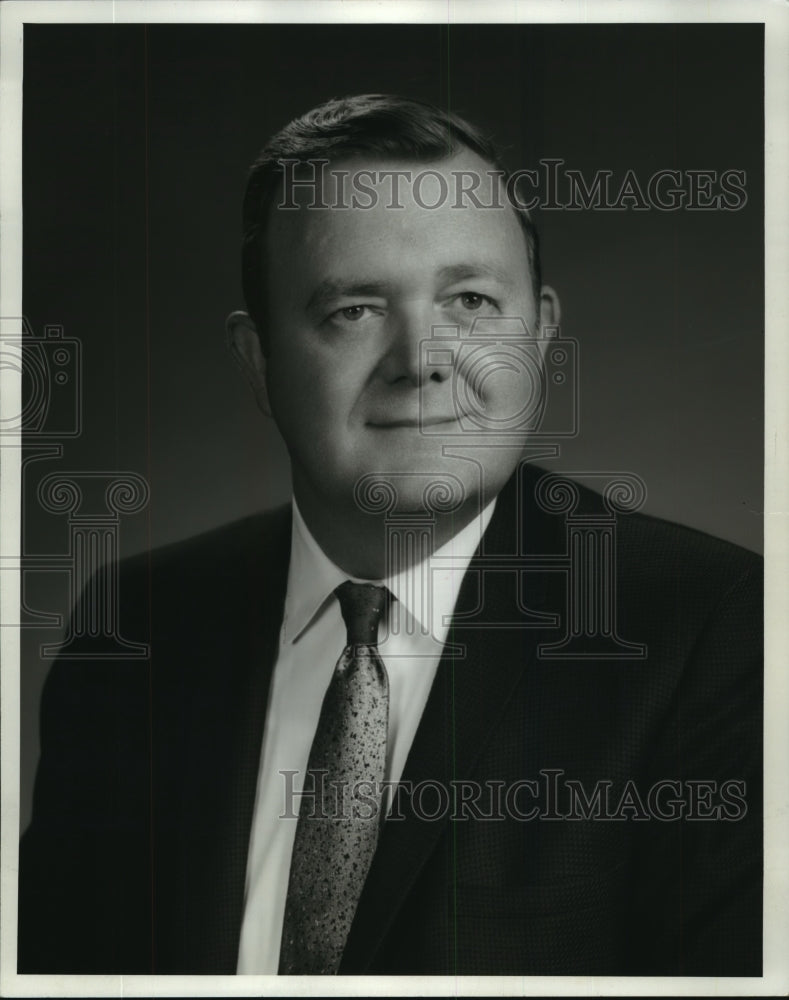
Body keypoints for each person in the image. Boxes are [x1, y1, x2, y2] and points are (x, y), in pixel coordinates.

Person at [18, 94, 762, 977]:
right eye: (354, 310)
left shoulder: (713, 628)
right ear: (258, 361)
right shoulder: (136, 622)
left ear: (541, 334)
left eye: (473, 299)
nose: (423, 358)